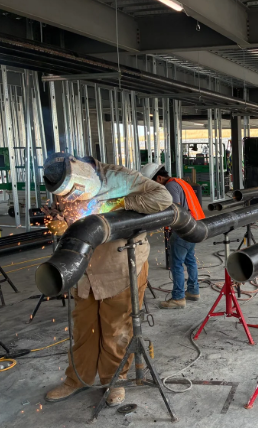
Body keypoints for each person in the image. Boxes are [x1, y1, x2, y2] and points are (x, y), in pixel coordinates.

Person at [42, 153, 173, 406]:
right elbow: (63, 215)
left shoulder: (119, 177)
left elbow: (163, 198)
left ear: (83, 175)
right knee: (83, 329)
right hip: (85, 268)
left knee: (116, 329)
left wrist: (119, 203)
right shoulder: (65, 184)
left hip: (120, 265)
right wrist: (58, 224)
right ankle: (77, 379)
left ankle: (114, 381)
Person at [141, 163, 205, 309]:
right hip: (194, 227)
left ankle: (178, 298)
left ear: (159, 178)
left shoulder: (169, 186)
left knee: (176, 264)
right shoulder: (180, 181)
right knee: (190, 260)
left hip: (183, 229)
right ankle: (193, 291)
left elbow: (175, 209)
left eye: (153, 183)